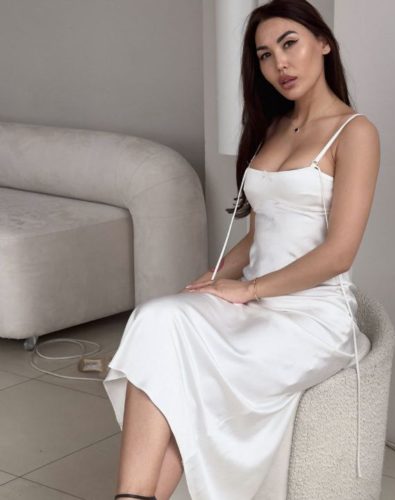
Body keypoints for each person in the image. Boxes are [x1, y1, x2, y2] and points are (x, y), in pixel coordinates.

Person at [103, 0, 380, 499]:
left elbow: (339, 253)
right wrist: (219, 274)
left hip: (313, 317)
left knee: (188, 380)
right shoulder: (271, 128)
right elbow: (261, 233)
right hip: (255, 301)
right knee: (156, 320)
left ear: (323, 42)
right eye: (265, 55)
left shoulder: (354, 133)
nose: (280, 64)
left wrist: (249, 289)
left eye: (289, 44)